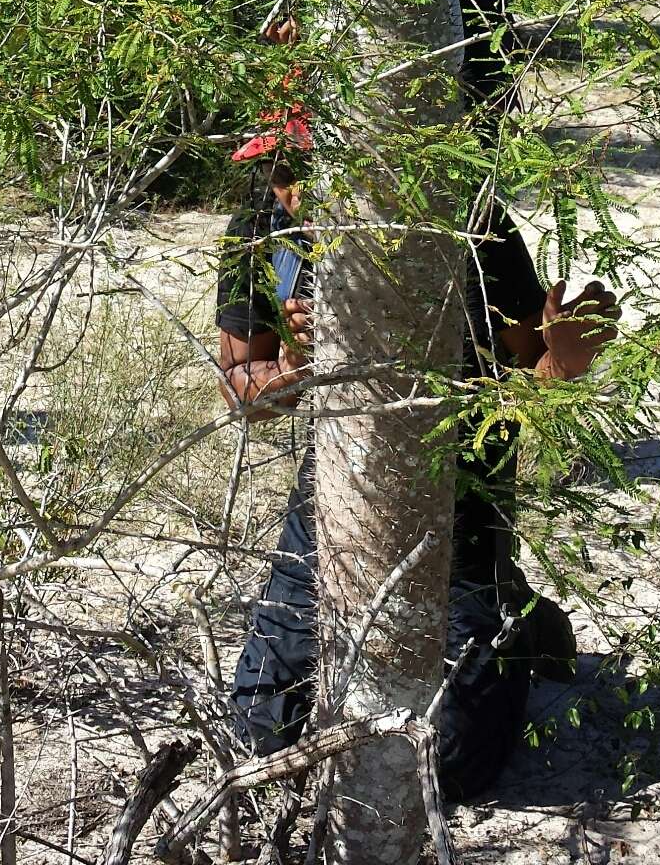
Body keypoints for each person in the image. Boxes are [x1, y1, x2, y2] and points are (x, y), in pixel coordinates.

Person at [216, 110, 619, 801]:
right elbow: (244, 393)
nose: (294, 193)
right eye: (281, 174)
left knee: (456, 766)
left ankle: (513, 618)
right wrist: (297, 365)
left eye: (310, 172)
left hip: (460, 491)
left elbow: (534, 374)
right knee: (261, 732)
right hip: (338, 487)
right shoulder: (263, 231)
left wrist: (570, 358)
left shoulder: (465, 222)